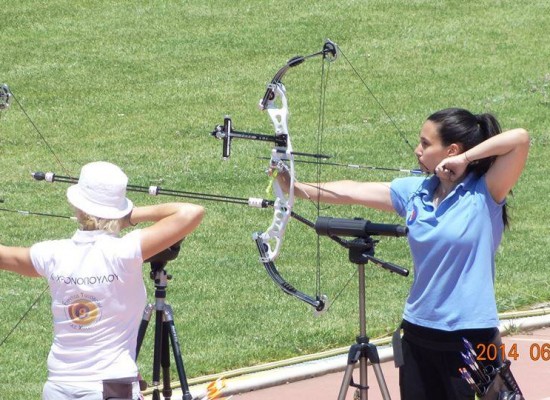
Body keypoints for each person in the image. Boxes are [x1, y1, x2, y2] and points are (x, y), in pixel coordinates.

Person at [278, 108, 530, 400]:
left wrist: (465, 159)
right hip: (417, 331)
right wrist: (296, 187)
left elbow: (520, 138)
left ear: (451, 150)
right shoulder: (415, 192)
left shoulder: (485, 191)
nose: (417, 150)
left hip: (470, 336)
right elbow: (352, 191)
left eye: (425, 143)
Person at [0, 161, 205, 400]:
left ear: (77, 206)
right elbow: (192, 212)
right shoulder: (125, 252)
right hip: (111, 387)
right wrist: (130, 216)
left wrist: (118, 214)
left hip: (58, 386)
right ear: (117, 208)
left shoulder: (50, 254)